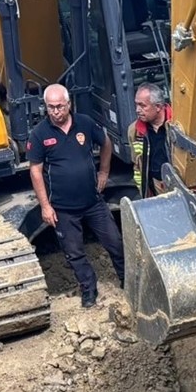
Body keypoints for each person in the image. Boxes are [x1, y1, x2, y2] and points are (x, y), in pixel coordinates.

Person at [27, 84, 125, 308]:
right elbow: (36, 171)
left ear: (68, 104)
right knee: (74, 253)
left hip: (93, 202)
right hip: (63, 208)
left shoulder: (85, 123)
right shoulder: (40, 134)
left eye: (59, 106)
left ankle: (127, 280)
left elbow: (106, 143)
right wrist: (45, 206)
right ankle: (89, 290)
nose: (55, 111)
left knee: (115, 242)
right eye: (50, 107)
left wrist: (104, 171)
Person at [128, 82, 172, 198]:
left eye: (142, 106)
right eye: (136, 105)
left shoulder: (178, 124)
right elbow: (137, 166)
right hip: (155, 187)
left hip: (179, 187)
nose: (137, 110)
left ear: (158, 107)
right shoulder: (135, 130)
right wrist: (144, 191)